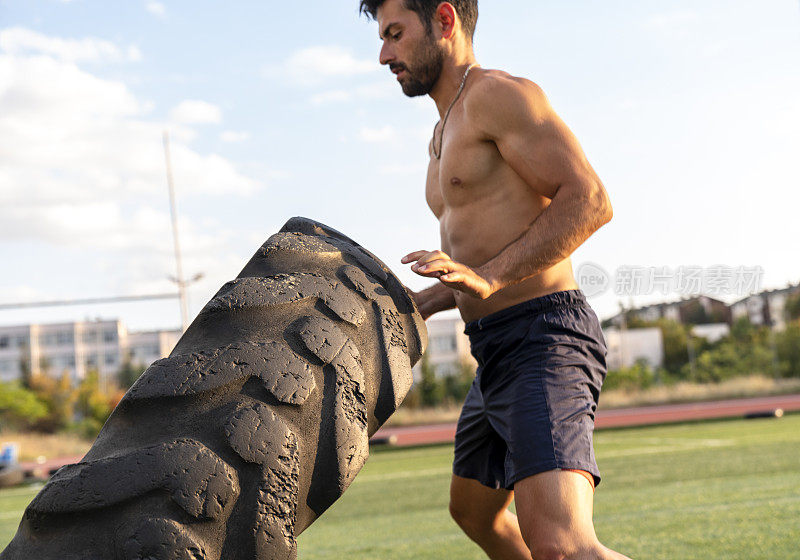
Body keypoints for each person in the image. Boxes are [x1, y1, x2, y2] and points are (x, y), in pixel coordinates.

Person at [359, 1, 631, 559]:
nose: (384, 54)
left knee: (562, 544)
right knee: (477, 513)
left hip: (543, 337)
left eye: (394, 34)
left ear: (443, 20)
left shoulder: (499, 97)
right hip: (494, 351)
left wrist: (488, 276)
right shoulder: (441, 132)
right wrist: (424, 301)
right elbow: (478, 258)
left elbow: (591, 201)